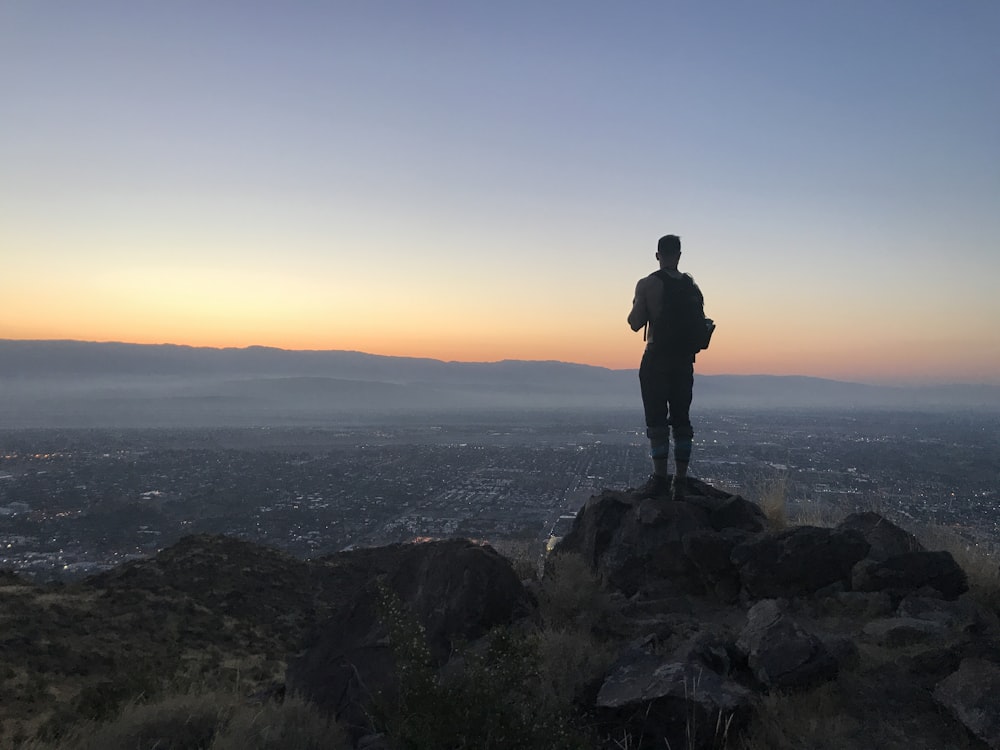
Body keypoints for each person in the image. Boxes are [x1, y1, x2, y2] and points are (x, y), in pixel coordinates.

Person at [627, 234, 703, 499]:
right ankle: (680, 482)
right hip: (684, 362)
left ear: (658, 255)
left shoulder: (648, 284)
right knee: (682, 420)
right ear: (679, 255)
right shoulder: (692, 287)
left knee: (657, 420)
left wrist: (639, 304)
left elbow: (635, 323)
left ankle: (660, 480)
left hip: (657, 358)